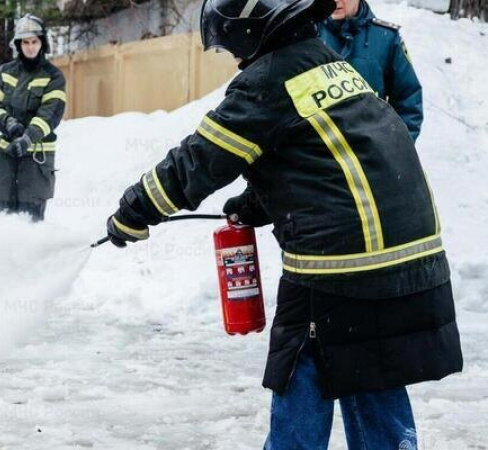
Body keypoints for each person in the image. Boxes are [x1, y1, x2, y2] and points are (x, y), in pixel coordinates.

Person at [104, 0, 463, 447]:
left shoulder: (269, 81)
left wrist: (133, 211)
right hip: (409, 259)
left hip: (341, 268)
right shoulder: (328, 65)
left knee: (302, 367)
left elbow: (199, 162)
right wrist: (257, 204)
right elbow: (325, 161)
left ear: (251, 31)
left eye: (231, 46)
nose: (234, 59)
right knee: (372, 369)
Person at [0, 14, 67, 222]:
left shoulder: (54, 77)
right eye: (25, 42)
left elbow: (50, 114)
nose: (30, 47)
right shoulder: (5, 72)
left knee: (30, 221)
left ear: (42, 43)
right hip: (5, 156)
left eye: (34, 42)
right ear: (18, 45)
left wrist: (28, 138)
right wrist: (7, 123)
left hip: (36, 160)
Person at [318, 0, 423, 141]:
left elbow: (408, 101)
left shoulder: (385, 38)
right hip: (317, 154)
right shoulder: (306, 35)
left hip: (369, 155)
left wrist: (394, 152)